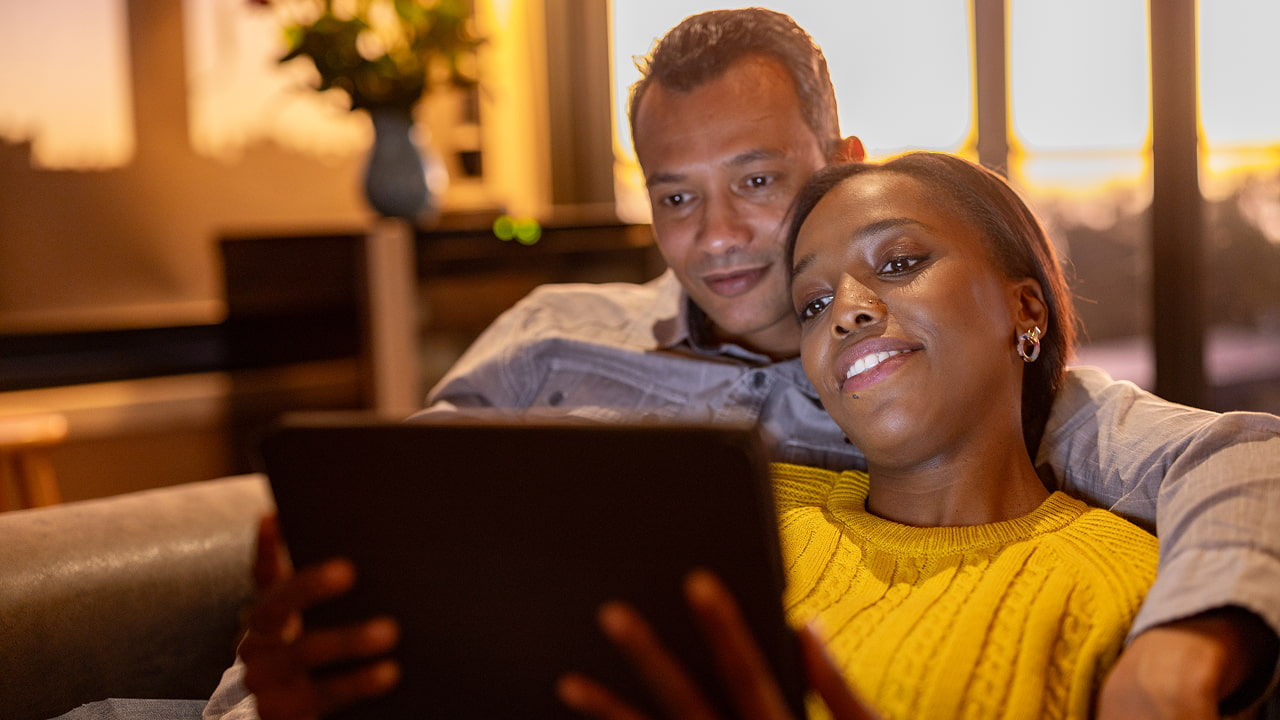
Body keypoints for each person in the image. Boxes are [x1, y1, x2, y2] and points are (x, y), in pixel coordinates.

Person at [206, 8, 1280, 720]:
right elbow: (402, 528)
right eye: (675, 195)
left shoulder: (962, 385)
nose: (716, 237)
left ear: (839, 163)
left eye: (757, 180)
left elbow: (1237, 459)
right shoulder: (554, 334)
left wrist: (1185, 647)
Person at [555, 153, 1161, 720]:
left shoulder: (1129, 590)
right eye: (813, 303)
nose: (846, 310)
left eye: (899, 264)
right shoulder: (741, 508)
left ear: (1025, 308)